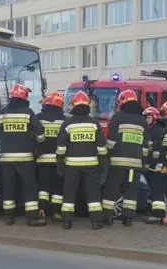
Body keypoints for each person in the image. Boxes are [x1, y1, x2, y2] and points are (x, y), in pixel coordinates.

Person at [0, 83, 46, 226]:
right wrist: (38, 142)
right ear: (24, 96)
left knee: (9, 187)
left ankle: (9, 217)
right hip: (25, 158)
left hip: (6, 159)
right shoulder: (28, 112)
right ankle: (32, 217)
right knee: (29, 187)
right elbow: (40, 130)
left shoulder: (2, 113)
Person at [56, 90, 107, 230]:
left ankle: (67, 221)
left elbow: (61, 147)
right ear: (88, 105)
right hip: (91, 166)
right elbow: (101, 146)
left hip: (71, 166)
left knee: (69, 193)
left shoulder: (67, 123)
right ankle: (96, 221)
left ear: (73, 105)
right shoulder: (94, 123)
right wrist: (103, 163)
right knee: (93, 194)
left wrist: (60, 164)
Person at [101, 90, 148, 226]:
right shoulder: (142, 120)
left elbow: (111, 141)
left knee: (112, 189)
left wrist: (107, 156)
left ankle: (107, 217)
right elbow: (145, 146)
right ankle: (128, 219)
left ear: (122, 102)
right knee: (131, 191)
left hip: (118, 162)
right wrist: (143, 162)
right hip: (136, 164)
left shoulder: (118, 117)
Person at [35, 92, 67, 221]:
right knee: (58, 187)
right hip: (59, 161)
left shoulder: (38, 118)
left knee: (43, 186)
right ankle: (57, 213)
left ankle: (42, 209)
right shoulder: (64, 120)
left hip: (42, 160)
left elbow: (33, 137)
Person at [142, 107, 165, 187]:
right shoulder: (145, 129)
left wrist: (152, 164)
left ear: (154, 119)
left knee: (152, 184)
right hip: (146, 162)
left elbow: (158, 150)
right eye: (145, 118)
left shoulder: (158, 131)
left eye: (148, 118)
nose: (146, 120)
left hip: (154, 165)